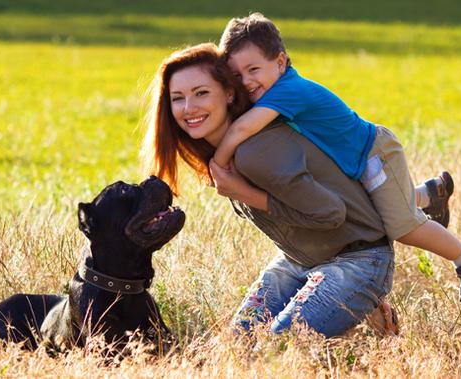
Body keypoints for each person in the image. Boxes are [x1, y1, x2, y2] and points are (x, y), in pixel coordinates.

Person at [212, 13, 461, 305]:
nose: (246, 81)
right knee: (373, 207)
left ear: (280, 63)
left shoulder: (289, 90)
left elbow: (243, 128)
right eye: (236, 76)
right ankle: (428, 194)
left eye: (253, 69)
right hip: (357, 159)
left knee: (403, 227)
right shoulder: (276, 90)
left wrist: (218, 164)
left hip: (374, 153)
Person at [141, 43, 401, 337]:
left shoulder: (255, 151)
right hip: (299, 260)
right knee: (235, 347)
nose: (189, 108)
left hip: (360, 260)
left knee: (278, 347)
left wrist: (244, 192)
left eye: (201, 93)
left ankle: (363, 300)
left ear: (228, 93)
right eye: (178, 98)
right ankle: (355, 309)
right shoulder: (225, 153)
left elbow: (331, 213)